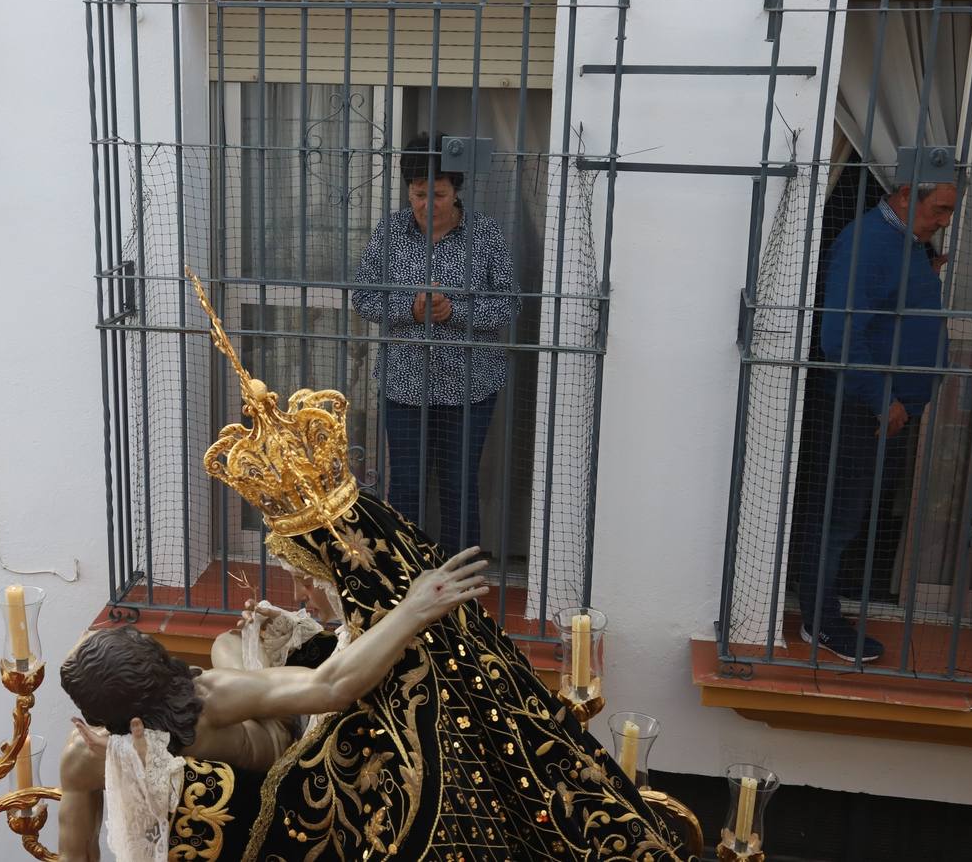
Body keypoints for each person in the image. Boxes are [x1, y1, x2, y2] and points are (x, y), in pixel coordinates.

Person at [186, 269, 694, 861]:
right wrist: (271, 637)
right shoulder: (376, 633)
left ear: (351, 580)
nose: (300, 591)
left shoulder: (386, 682)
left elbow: (331, 692)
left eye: (308, 576)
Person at [57, 550, 488, 862]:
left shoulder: (203, 700)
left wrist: (415, 608)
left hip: (280, 746)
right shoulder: (97, 753)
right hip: (240, 777)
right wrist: (413, 607)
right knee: (228, 644)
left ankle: (258, 647)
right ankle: (257, 651)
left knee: (228, 643)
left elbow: (332, 686)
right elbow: (76, 853)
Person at [792, 179, 956, 663]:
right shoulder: (870, 243)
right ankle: (819, 623)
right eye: (940, 210)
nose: (945, 221)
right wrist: (884, 399)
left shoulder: (904, 242)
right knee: (836, 516)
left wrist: (923, 274)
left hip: (880, 410)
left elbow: (885, 309)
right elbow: (840, 336)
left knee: (849, 514)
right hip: (858, 409)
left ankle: (824, 612)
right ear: (905, 195)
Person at [352, 133, 521, 556]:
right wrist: (411, 308)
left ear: (456, 190)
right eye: (419, 194)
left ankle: (459, 584)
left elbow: (510, 304)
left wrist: (454, 313)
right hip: (405, 385)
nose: (428, 204)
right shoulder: (390, 231)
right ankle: (406, 576)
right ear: (408, 190)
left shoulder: (484, 233)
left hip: (470, 387)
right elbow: (363, 297)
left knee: (459, 484)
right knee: (406, 483)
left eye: (439, 194)